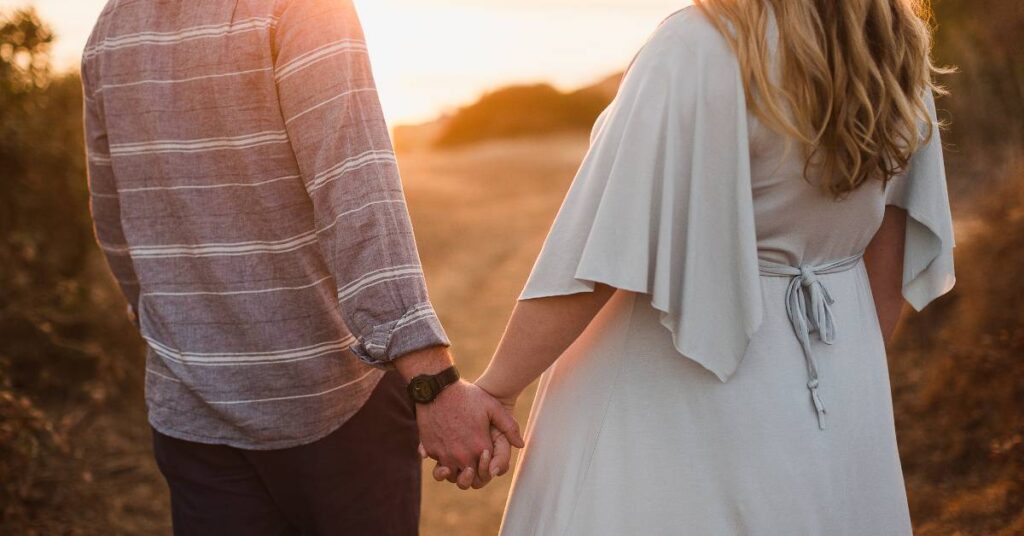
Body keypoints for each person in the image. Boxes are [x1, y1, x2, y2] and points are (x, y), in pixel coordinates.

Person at [432, 1, 956, 534]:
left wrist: (497, 388)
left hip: (673, 405)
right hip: (838, 393)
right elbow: (883, 262)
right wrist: (837, 382)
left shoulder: (700, 44)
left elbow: (599, 254)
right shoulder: (893, 48)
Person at [81, 1, 521, 534]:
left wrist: (177, 328)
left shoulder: (111, 27)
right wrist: (432, 382)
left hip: (190, 403)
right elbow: (355, 193)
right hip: (330, 407)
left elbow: (114, 220)